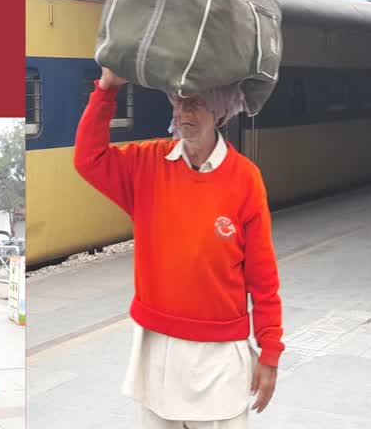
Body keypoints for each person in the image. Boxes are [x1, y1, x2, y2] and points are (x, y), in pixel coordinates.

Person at [73, 68, 284, 428]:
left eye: (196, 104)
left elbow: (263, 278)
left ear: (218, 111)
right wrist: (106, 88)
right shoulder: (147, 165)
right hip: (157, 352)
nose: (184, 114)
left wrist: (270, 352)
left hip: (219, 358)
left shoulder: (245, 179)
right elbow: (89, 160)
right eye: (179, 102)